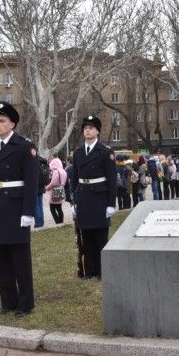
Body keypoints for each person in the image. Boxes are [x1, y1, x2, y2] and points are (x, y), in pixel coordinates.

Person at [0, 101, 38, 317]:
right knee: (1, 257)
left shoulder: (24, 146)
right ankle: (8, 302)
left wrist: (28, 212)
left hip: (16, 206)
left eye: (2, 121)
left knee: (20, 259)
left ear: (12, 124)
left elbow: (31, 182)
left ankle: (25, 304)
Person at [70, 115, 117, 280]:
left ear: (97, 131)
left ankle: (103, 271)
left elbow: (112, 180)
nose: (87, 130)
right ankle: (90, 271)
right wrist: (73, 201)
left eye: (91, 128)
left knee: (100, 237)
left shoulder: (105, 151)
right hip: (83, 197)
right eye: (85, 128)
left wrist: (111, 204)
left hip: (99, 198)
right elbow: (74, 178)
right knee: (87, 236)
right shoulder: (78, 152)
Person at [31, 144, 49, 228]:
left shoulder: (33, 159)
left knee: (36, 205)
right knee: (40, 204)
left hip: (35, 185)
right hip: (41, 185)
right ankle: (41, 222)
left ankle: (38, 223)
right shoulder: (42, 160)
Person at [45, 155, 67, 224]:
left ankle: (58, 222)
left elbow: (53, 183)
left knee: (52, 208)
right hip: (61, 190)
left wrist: (47, 188)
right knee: (59, 208)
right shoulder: (62, 170)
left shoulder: (55, 171)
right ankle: (61, 222)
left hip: (54, 192)